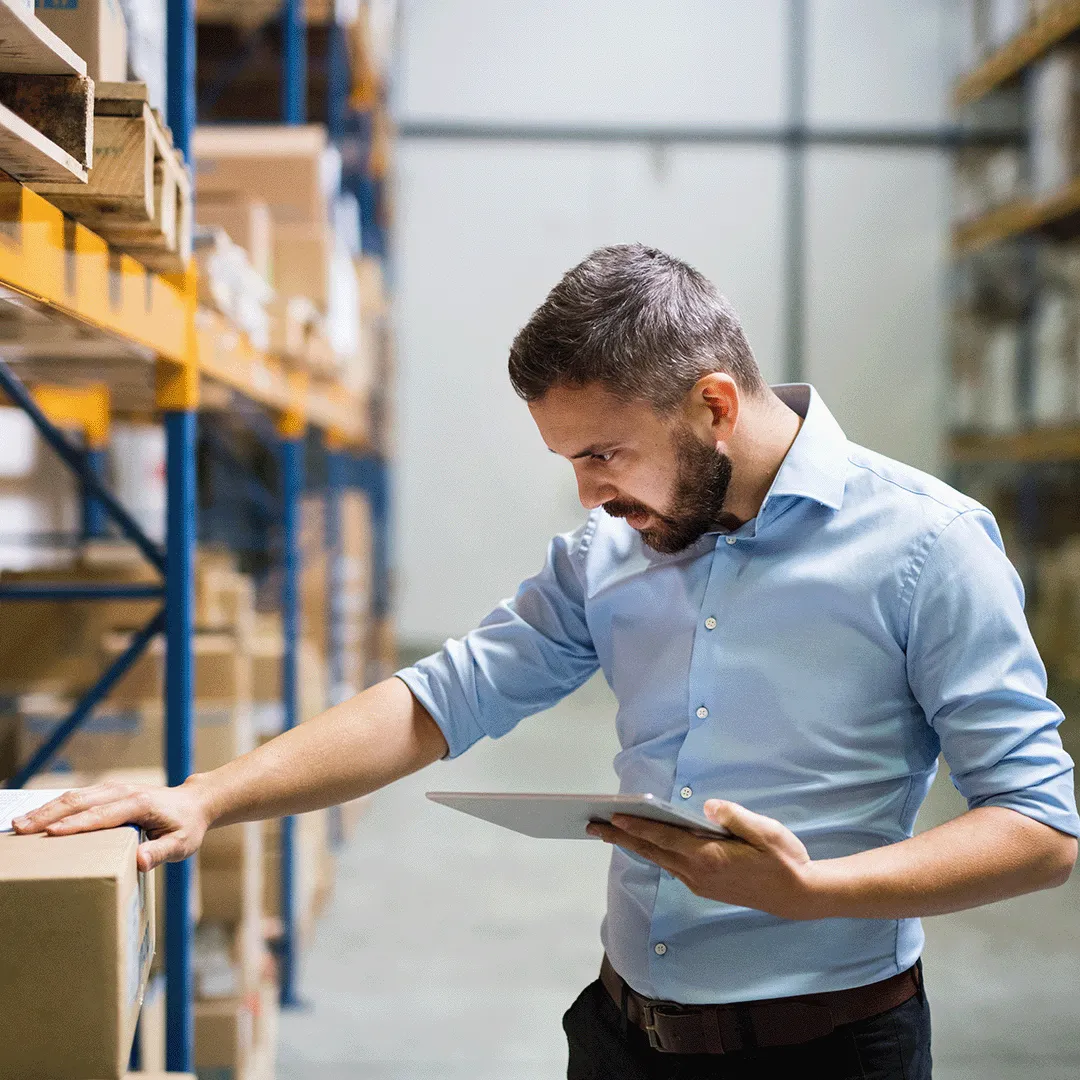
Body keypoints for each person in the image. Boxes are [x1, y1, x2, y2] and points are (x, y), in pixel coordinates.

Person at [15, 244, 1078, 1079]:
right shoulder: (608, 554)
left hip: (828, 1049)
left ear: (712, 405)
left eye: (604, 454)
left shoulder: (929, 546)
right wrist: (207, 796)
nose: (590, 495)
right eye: (571, 460)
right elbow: (438, 698)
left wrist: (813, 892)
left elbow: (1039, 827)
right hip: (622, 1036)